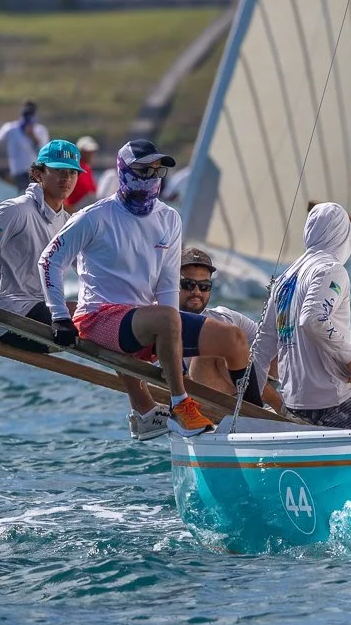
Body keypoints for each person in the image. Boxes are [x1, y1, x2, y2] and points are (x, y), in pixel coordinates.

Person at [37, 139, 251, 439]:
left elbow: (166, 283)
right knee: (165, 318)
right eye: (143, 170)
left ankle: (254, 417)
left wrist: (173, 345)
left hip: (148, 322)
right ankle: (180, 407)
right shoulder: (94, 217)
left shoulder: (169, 218)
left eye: (157, 171)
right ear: (124, 171)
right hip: (98, 319)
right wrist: (59, 315)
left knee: (234, 338)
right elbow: (49, 261)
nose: (151, 178)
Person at [252, 202, 351, 429]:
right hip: (329, 401)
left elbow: (263, 344)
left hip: (295, 400)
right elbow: (313, 319)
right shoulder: (331, 269)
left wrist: (250, 400)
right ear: (343, 234)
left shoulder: (285, 278)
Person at [0, 140, 79, 355]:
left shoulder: (67, 222)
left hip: (42, 310)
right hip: (7, 316)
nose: (66, 178)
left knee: (103, 318)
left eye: (72, 172)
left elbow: (90, 271)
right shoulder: (14, 212)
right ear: (37, 174)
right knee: (93, 329)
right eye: (58, 171)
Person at [179, 247, 283, 413]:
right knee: (218, 343)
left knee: (276, 336)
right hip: (199, 406)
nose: (196, 292)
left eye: (204, 286)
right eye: (188, 284)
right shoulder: (159, 322)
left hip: (245, 394)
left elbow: (270, 342)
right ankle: (279, 407)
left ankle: (288, 405)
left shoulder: (224, 316)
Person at [0, 100, 49, 191]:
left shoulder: (41, 131)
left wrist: (34, 138)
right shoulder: (12, 129)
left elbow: (45, 155)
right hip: (19, 174)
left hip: (36, 174)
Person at [64, 136, 99, 213]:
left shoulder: (87, 168)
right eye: (87, 151)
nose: (90, 154)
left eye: (92, 151)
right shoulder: (74, 167)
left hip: (83, 206)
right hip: (73, 208)